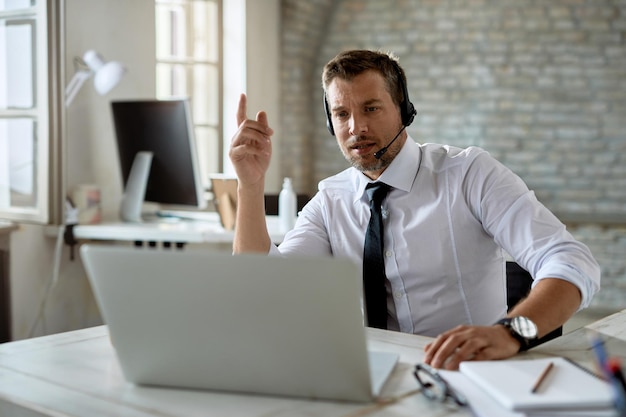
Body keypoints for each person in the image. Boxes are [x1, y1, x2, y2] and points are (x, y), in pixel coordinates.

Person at [228, 49, 600, 370]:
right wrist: (250, 184)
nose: (357, 127)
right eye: (342, 114)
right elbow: (264, 288)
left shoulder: (470, 174)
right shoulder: (330, 200)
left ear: (404, 109)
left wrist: (511, 332)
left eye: (371, 108)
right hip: (369, 374)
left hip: (466, 371)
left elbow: (571, 261)